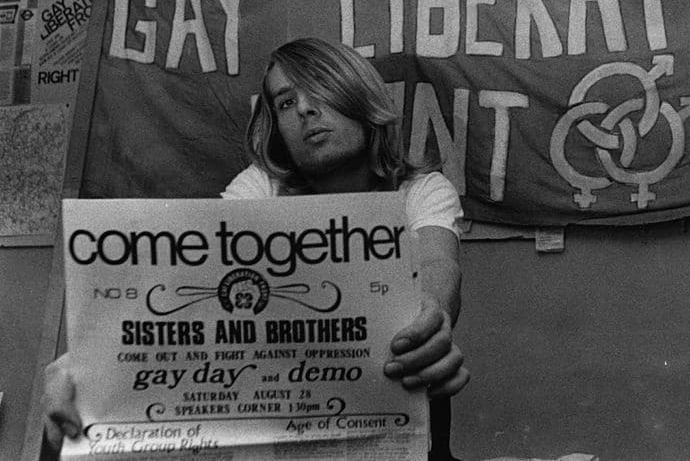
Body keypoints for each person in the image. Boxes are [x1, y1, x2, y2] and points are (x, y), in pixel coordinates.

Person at [43, 37, 469, 459]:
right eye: (285, 102)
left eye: (319, 88)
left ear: (357, 94)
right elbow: (189, 281)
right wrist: (87, 363)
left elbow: (438, 264)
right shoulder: (262, 186)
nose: (303, 109)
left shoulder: (422, 190)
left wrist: (431, 316)